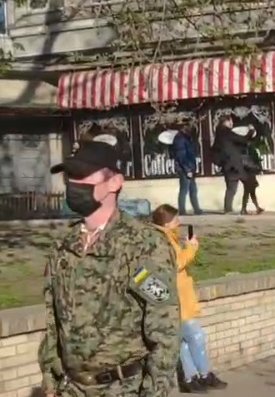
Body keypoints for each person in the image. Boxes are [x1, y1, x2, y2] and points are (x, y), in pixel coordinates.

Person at [39, 140, 181, 397]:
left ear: (114, 182)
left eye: (82, 175)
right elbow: (53, 323)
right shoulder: (62, 247)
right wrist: (50, 382)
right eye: (70, 176)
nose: (73, 184)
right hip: (71, 389)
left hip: (123, 388)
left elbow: (164, 328)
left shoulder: (142, 245)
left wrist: (155, 391)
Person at [151, 204, 228, 393]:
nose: (179, 223)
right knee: (196, 337)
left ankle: (190, 377)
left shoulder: (168, 238)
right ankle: (204, 374)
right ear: (167, 223)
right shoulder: (162, 241)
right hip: (175, 300)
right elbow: (176, 263)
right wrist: (192, 248)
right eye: (176, 220)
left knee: (183, 342)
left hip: (178, 299)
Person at [211, 115, 255, 214]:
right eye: (230, 121)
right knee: (248, 184)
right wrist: (251, 131)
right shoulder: (226, 132)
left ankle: (228, 209)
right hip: (234, 164)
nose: (232, 124)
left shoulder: (219, 134)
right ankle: (244, 208)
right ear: (225, 122)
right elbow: (242, 140)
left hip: (227, 164)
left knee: (231, 188)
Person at [171, 122, 203, 216]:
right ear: (184, 127)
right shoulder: (180, 139)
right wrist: (187, 169)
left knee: (193, 189)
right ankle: (182, 210)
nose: (190, 128)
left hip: (189, 167)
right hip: (185, 168)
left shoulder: (186, 138)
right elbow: (181, 156)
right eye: (188, 126)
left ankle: (196, 209)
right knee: (184, 189)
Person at [240, 142, 264, 215]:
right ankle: (244, 209)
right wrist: (259, 168)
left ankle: (256, 207)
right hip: (250, 172)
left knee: (250, 191)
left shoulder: (240, 149)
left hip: (245, 172)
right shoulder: (251, 148)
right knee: (248, 191)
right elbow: (256, 159)